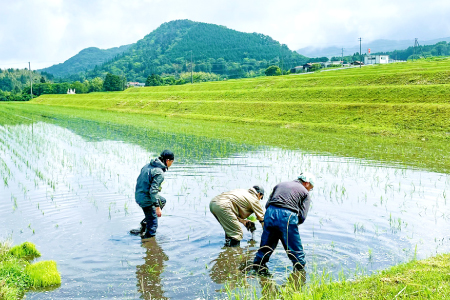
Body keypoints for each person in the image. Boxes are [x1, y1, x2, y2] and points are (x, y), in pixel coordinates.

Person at [253, 172, 315, 275]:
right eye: (310, 187)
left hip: (270, 213)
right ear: (307, 183)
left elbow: (268, 204)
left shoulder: (280, 185)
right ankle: (299, 275)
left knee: (266, 245)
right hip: (287, 216)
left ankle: (257, 269)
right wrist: (291, 225)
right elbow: (302, 216)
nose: (309, 190)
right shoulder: (305, 192)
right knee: (295, 250)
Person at [135, 150, 174, 239]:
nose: (171, 164)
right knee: (153, 226)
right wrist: (157, 208)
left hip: (139, 195)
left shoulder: (147, 166)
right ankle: (148, 245)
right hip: (146, 198)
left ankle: (145, 222)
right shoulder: (159, 172)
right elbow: (153, 191)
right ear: (168, 161)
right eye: (172, 162)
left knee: (162, 201)